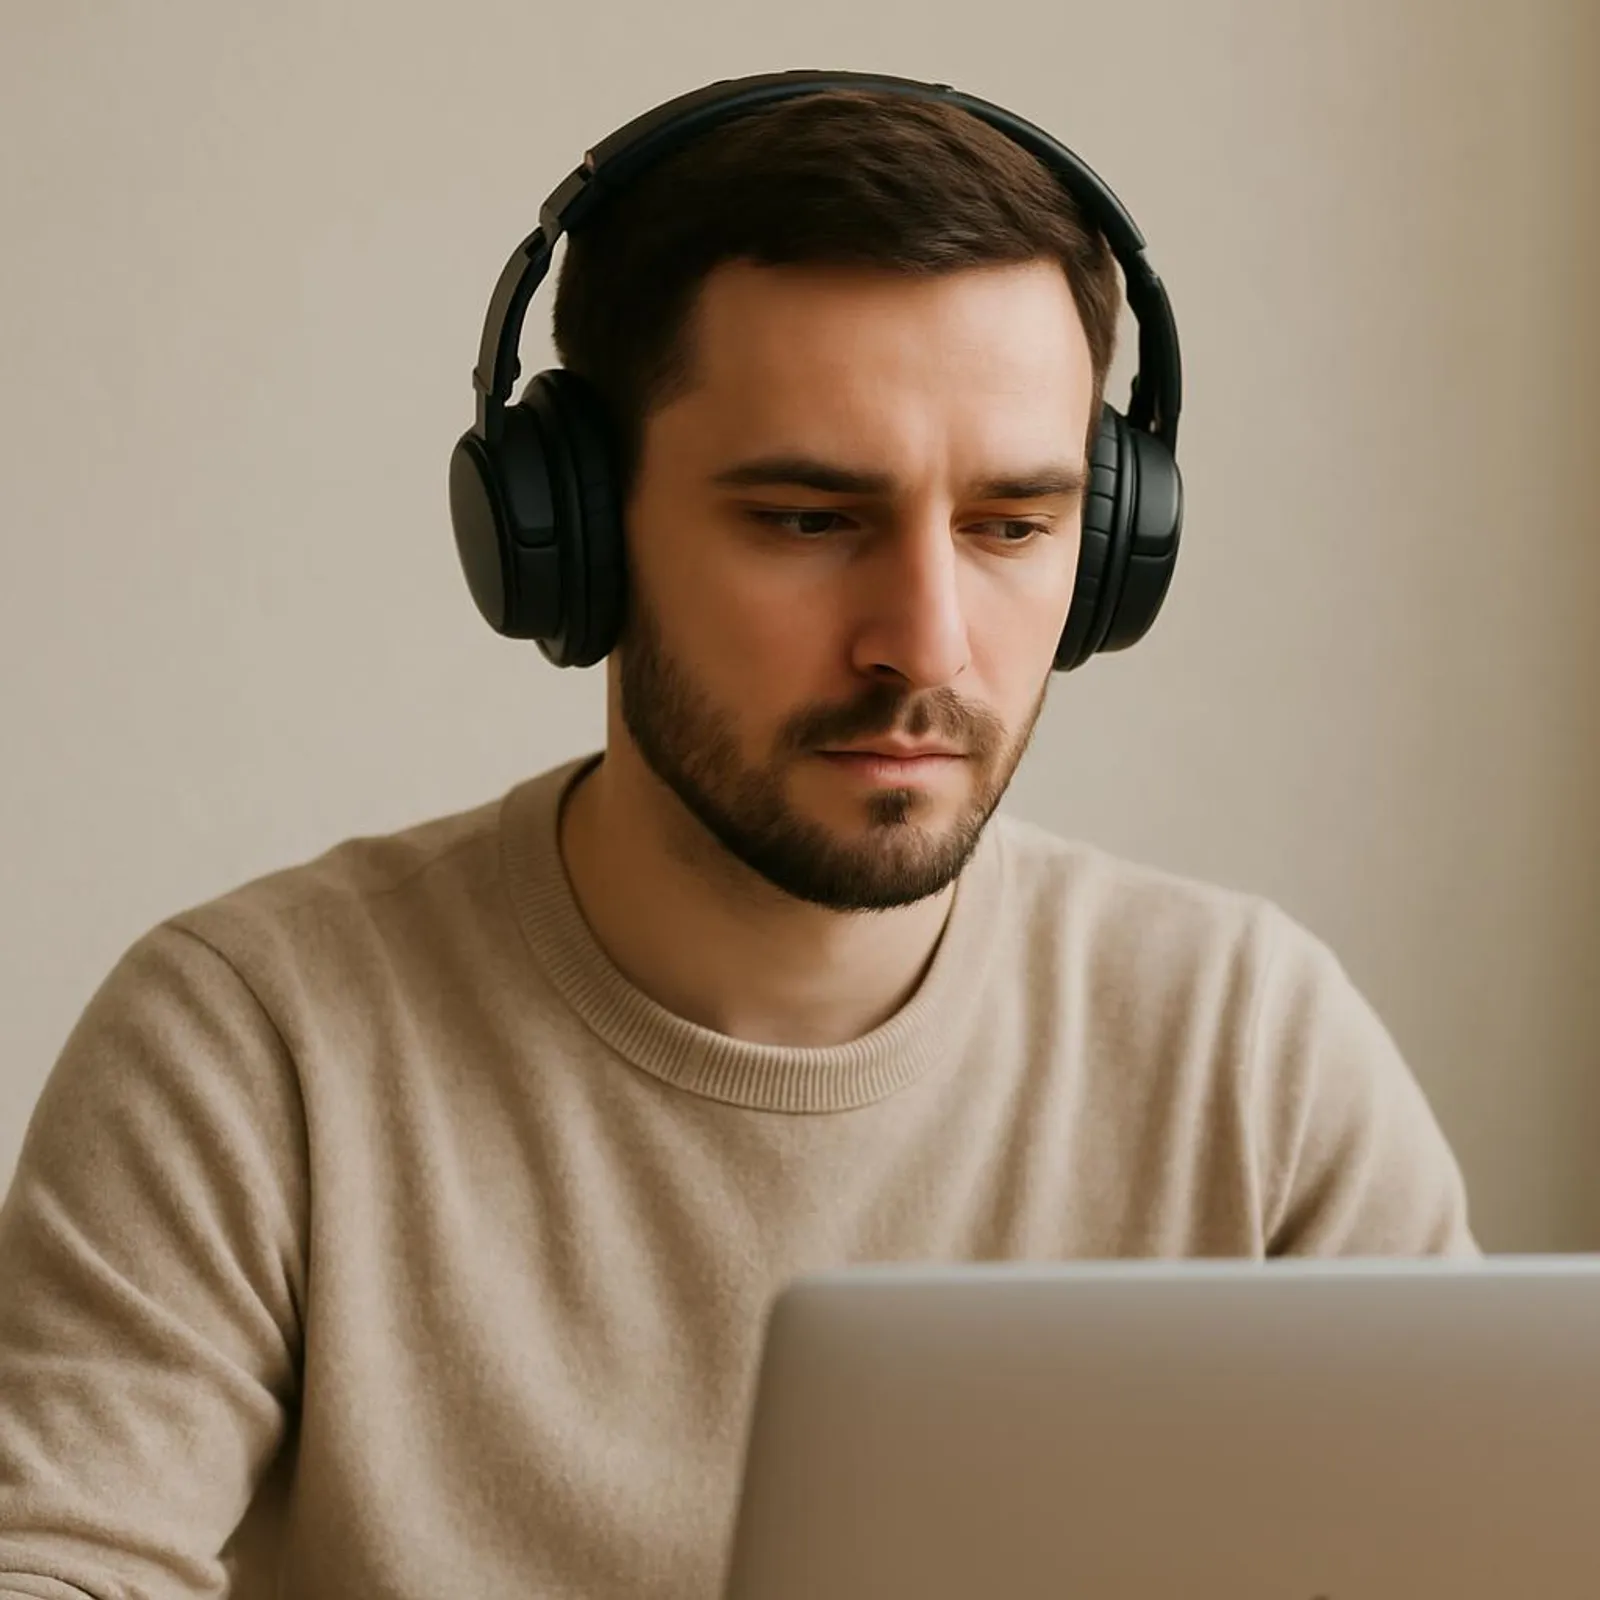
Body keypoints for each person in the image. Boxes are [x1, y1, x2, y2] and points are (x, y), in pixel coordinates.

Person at [0, 76, 1473, 1600]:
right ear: (567, 535)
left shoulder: (1252, 1054)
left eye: (1012, 526)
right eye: (805, 519)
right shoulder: (251, 1046)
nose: (926, 646)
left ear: (1108, 557)